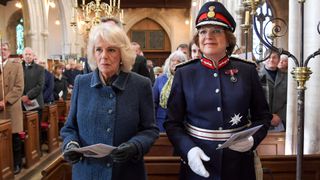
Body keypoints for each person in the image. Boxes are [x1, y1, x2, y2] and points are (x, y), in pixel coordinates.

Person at [164, 2, 272, 180]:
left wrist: (253, 140)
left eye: (216, 31)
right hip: (198, 161)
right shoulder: (185, 73)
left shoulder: (247, 71)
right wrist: (188, 151)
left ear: (228, 38)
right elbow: (172, 123)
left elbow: (263, 116)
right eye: (203, 31)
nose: (208, 36)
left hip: (239, 162)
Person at [60, 23, 159, 180]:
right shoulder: (81, 83)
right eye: (99, 49)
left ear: (122, 54)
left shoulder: (141, 85)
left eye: (111, 50)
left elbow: (150, 130)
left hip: (126, 173)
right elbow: (69, 128)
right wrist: (71, 145)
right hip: (87, 173)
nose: (104, 55)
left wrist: (134, 146)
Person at [0, 42, 24, 174]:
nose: (2, 51)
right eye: (0, 49)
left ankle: (17, 164)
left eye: (4, 49)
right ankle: (4, 163)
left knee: (14, 139)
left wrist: (5, 100)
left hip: (11, 107)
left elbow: (19, 87)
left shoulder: (16, 66)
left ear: (8, 52)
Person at [153, 51, 187, 132]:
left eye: (178, 61)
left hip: (181, 121)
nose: (175, 63)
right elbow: (153, 102)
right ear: (169, 62)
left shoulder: (186, 79)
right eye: (173, 60)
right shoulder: (160, 80)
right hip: (161, 121)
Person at [259, 50, 287, 132]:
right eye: (268, 57)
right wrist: (268, 116)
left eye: (274, 57)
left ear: (278, 60)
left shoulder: (286, 77)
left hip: (281, 120)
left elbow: (290, 99)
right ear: (264, 60)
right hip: (261, 119)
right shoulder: (257, 75)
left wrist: (280, 116)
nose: (271, 60)